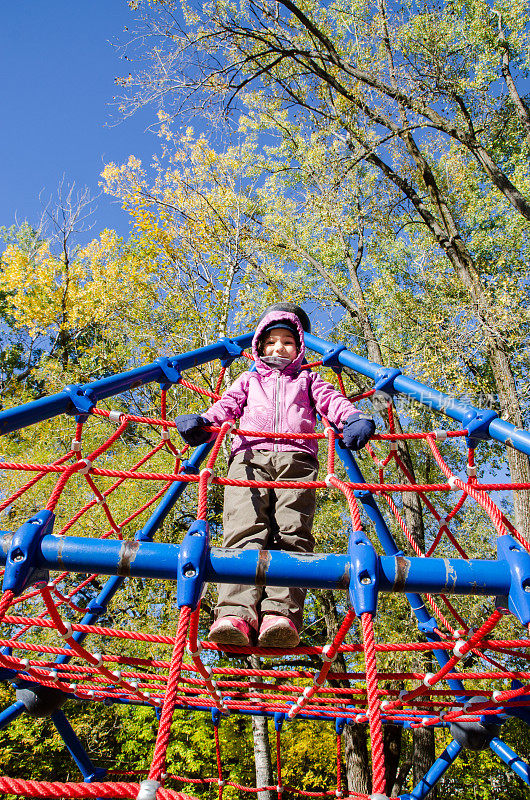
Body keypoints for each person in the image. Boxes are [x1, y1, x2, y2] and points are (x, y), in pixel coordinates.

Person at [175, 304, 375, 648]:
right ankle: (234, 614)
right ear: (259, 346)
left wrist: (353, 418)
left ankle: (281, 615)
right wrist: (205, 421)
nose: (278, 348)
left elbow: (334, 402)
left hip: (297, 460)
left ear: (299, 348)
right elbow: (227, 405)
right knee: (242, 529)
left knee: (293, 532)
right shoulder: (249, 378)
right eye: (271, 342)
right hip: (248, 459)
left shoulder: (309, 380)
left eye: (287, 342)